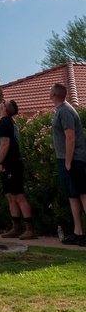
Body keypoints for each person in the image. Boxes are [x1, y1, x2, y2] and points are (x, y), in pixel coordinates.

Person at [49, 81, 86, 246]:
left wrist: (69, 162)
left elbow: (70, 137)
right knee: (72, 195)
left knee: (83, 194)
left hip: (74, 159)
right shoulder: (60, 110)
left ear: (54, 94)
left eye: (50, 90)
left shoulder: (65, 111)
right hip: (65, 159)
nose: (48, 92)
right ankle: (78, 232)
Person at [0, 99, 36, 239]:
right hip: (9, 165)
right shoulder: (9, 122)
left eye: (3, 102)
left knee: (19, 196)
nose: (1, 102)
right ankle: (16, 227)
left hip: (11, 165)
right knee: (10, 196)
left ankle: (30, 229)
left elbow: (4, 143)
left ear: (5, 109)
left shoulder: (4, 123)